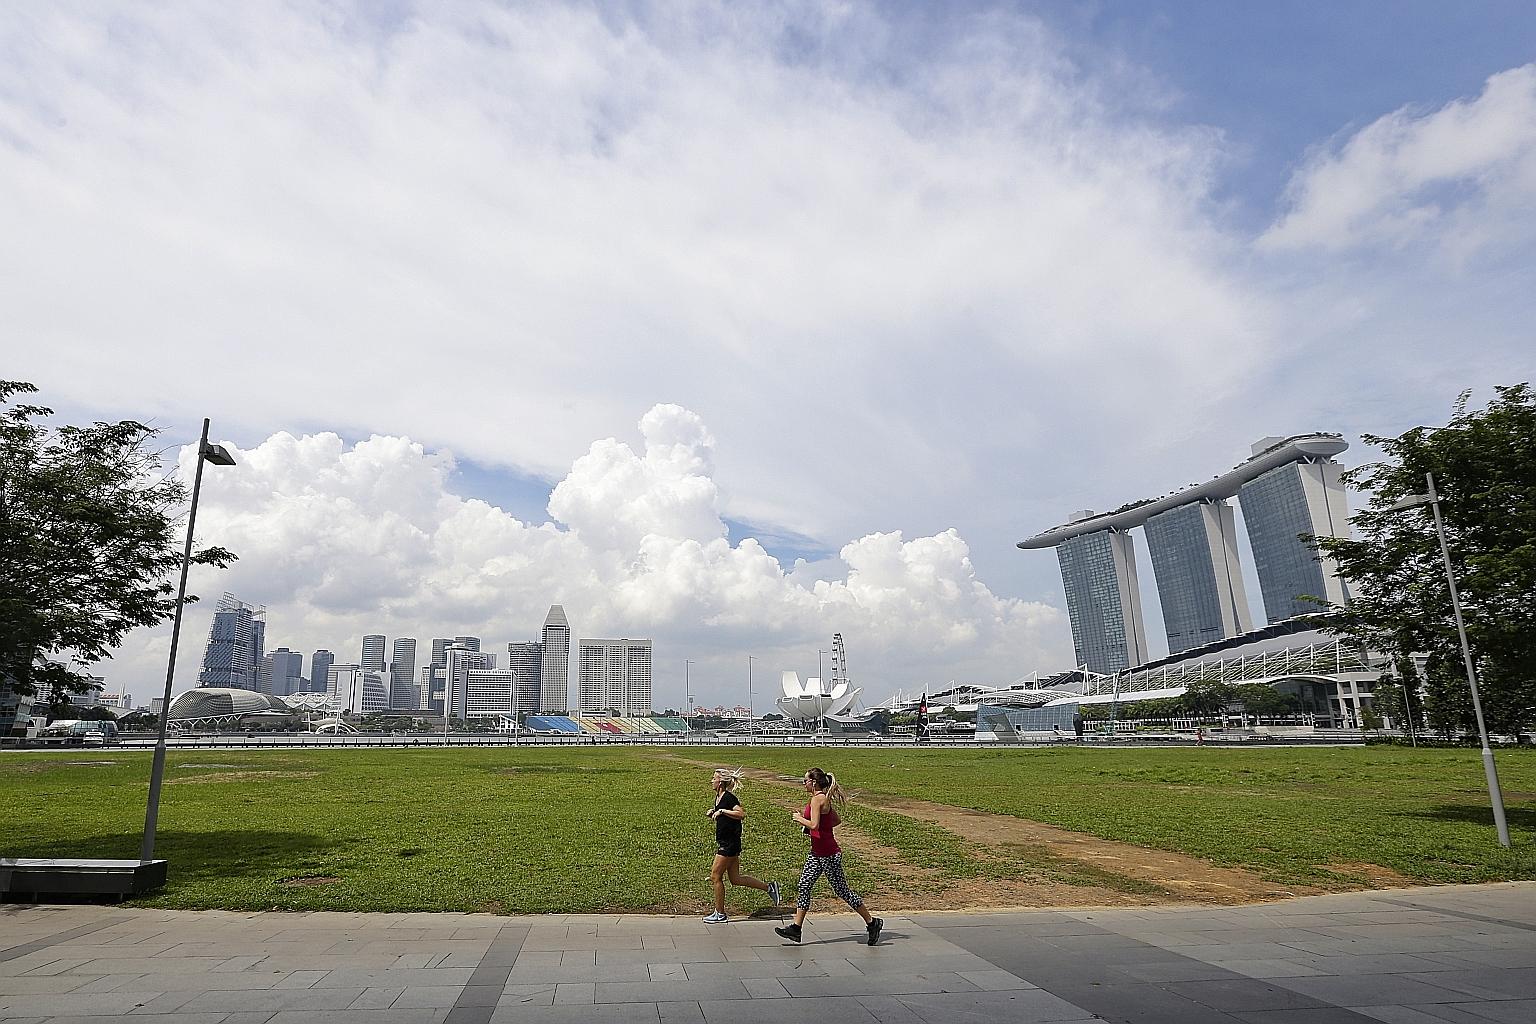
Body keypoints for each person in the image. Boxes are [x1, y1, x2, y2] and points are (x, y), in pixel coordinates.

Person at [774, 767, 883, 945]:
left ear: (814, 782)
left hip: (829, 854)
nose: (804, 784)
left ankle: (872, 923)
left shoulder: (818, 799)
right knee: (804, 885)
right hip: (817, 853)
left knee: (843, 892)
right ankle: (796, 928)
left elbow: (815, 825)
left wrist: (799, 819)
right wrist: (818, 826)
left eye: (805, 781)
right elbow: (835, 821)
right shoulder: (822, 799)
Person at [704, 768, 781, 923]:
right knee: (736, 879)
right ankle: (770, 888)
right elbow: (724, 814)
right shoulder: (719, 797)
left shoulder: (729, 797)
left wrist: (723, 811)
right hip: (727, 842)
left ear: (721, 782)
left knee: (715, 876)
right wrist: (714, 811)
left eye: (714, 778)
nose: (711, 781)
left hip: (729, 844)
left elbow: (741, 814)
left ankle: (720, 913)